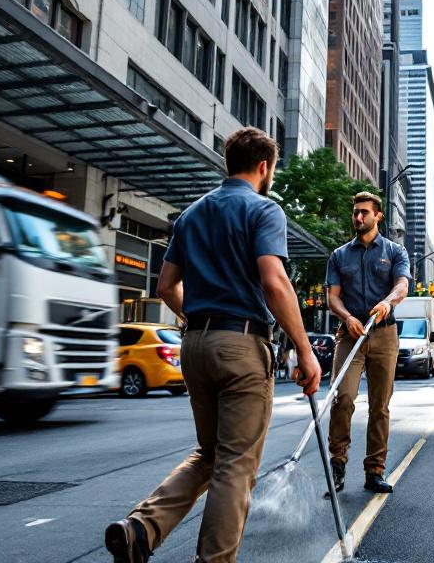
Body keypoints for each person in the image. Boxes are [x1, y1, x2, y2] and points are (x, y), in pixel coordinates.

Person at [105, 128, 320, 563]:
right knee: (236, 465)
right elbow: (274, 281)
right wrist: (305, 348)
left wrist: (198, 321)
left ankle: (140, 529)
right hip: (241, 344)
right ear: (264, 167)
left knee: (211, 453)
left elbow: (166, 286)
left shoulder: (191, 215)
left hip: (195, 345)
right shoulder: (264, 210)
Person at [325, 191, 411, 495]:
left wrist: (387, 302)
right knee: (343, 397)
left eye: (364, 212)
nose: (358, 217)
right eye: (355, 212)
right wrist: (347, 317)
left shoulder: (395, 251)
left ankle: (374, 471)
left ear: (378, 216)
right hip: (350, 334)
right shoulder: (339, 256)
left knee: (380, 406)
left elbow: (402, 284)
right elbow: (332, 296)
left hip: (384, 333)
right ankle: (337, 465)